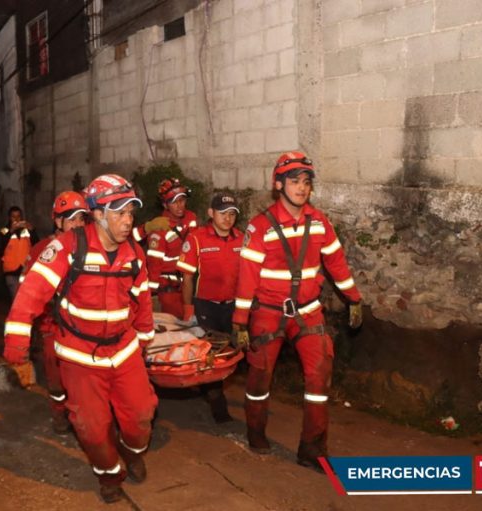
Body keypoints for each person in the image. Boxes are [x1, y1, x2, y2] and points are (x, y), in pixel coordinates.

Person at [3, 174, 157, 504]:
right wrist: (16, 342)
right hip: (79, 355)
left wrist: (144, 338)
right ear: (98, 214)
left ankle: (131, 453)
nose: (128, 221)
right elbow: (30, 293)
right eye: (119, 212)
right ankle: (109, 474)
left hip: (124, 349)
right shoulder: (67, 248)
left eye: (131, 213)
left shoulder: (134, 255)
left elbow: (142, 299)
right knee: (90, 426)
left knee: (142, 415)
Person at [232, 151, 363, 470]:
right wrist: (240, 321)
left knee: (319, 378)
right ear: (278, 184)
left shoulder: (319, 223)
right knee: (259, 379)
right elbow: (247, 276)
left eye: (306, 181)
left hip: (308, 312)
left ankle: (313, 449)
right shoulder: (260, 226)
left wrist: (354, 298)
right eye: (294, 181)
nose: (302, 187)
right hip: (268, 313)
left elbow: (335, 263)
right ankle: (256, 432)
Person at [18, 190, 89, 434]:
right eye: (72, 219)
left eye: (82, 219)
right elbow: (27, 291)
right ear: (58, 221)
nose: (78, 225)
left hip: (83, 326)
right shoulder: (42, 250)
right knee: (57, 378)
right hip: (53, 326)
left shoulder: (92, 248)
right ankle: (60, 414)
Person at [177, 192, 243, 423]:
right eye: (223, 213)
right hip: (206, 307)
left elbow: (248, 276)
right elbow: (187, 278)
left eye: (232, 214)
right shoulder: (196, 238)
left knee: (232, 352)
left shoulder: (241, 239)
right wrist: (188, 308)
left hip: (233, 307)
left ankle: (209, 390)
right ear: (211, 213)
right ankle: (219, 407)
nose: (228, 218)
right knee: (212, 355)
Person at [145, 177, 198, 318]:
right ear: (165, 205)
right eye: (175, 202)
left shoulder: (191, 218)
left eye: (183, 200)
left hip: (189, 285)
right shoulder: (160, 228)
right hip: (169, 292)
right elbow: (154, 265)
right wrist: (152, 296)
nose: (180, 205)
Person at [0, 206, 37, 299]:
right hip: (11, 272)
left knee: (27, 299)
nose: (16, 219)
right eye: (13, 216)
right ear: (9, 218)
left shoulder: (27, 230)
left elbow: (37, 245)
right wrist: (11, 231)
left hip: (26, 271)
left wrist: (33, 231)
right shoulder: (4, 231)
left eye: (18, 216)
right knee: (17, 300)